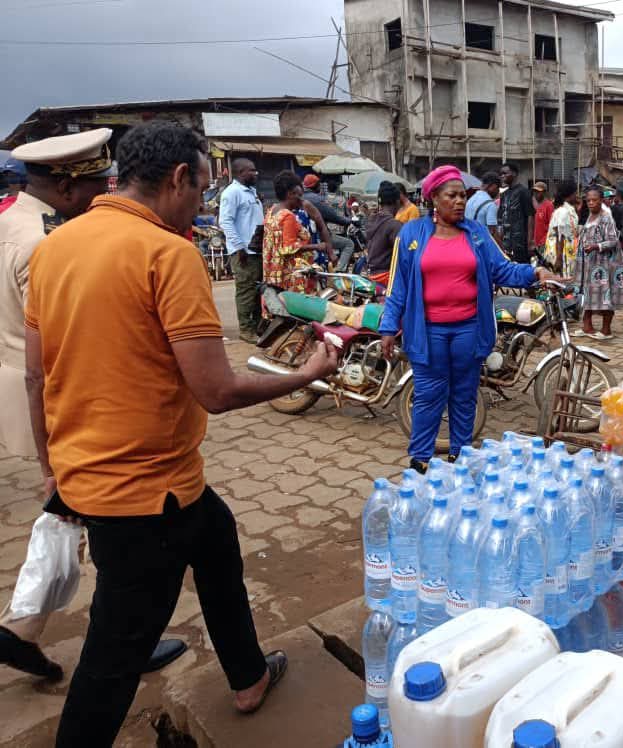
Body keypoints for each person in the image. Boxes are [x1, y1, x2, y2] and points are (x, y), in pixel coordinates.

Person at [24, 122, 340, 746]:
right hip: (146, 496)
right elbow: (216, 391)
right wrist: (305, 375)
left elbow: (36, 376)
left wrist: (51, 468)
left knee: (217, 543)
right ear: (177, 179)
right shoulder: (168, 254)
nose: (201, 205)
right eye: (199, 189)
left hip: (113, 476)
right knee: (114, 654)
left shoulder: (56, 247)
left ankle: (248, 677)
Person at [0, 128, 187, 682]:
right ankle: (121, 643)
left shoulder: (9, 221)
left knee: (71, 516)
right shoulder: (48, 243)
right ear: (65, 187)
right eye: (94, 188)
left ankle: (24, 625)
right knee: (109, 526)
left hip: (29, 384)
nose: (102, 199)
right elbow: (71, 340)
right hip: (66, 400)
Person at [379, 165, 560, 471]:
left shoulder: (476, 233)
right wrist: (388, 327)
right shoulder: (411, 233)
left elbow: (502, 269)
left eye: (463, 195)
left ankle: (460, 458)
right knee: (427, 396)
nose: (460, 201)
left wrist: (536, 272)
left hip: (469, 329)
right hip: (427, 332)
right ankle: (421, 460)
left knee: (464, 396)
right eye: (452, 196)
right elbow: (398, 285)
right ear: (434, 198)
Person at [573, 186, 623, 340]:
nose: (591, 203)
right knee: (588, 293)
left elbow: (613, 240)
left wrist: (595, 246)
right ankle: (587, 326)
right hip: (590, 262)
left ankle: (606, 330)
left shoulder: (606, 217)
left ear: (601, 200)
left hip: (605, 263)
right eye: (588, 200)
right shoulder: (590, 215)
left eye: (594, 200)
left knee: (606, 294)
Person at [219, 158, 265, 343]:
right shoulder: (232, 193)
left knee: (258, 291)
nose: (255, 174)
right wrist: (239, 247)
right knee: (246, 291)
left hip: (256, 250)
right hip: (244, 252)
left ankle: (258, 327)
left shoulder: (251, 192)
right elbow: (225, 221)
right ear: (240, 173)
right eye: (251, 170)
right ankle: (246, 330)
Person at [263, 170, 329, 295]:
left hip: (273, 273)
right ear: (290, 194)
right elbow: (288, 248)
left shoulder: (271, 211)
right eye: (299, 196)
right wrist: (317, 246)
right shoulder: (288, 216)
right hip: (289, 274)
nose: (301, 200)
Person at [302, 173, 356, 272]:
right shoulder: (320, 199)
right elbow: (334, 216)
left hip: (304, 236)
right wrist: (349, 221)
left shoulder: (300, 198)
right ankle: (338, 270)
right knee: (349, 244)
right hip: (323, 234)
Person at [365, 181, 403, 285]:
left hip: (371, 275)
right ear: (397, 202)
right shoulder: (394, 225)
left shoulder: (371, 220)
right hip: (387, 278)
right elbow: (404, 255)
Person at [498, 162, 535, 263]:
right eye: (501, 174)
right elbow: (501, 219)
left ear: (514, 174)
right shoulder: (504, 195)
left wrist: (530, 241)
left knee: (521, 268)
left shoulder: (523, 192)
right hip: (506, 244)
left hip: (520, 244)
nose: (502, 176)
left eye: (505, 173)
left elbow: (530, 216)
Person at [542, 180, 579, 276]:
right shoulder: (563, 211)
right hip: (561, 253)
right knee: (561, 279)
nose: (576, 196)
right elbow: (560, 235)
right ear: (570, 194)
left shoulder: (567, 210)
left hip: (566, 251)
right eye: (575, 193)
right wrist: (559, 259)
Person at [464, 171, 501, 243]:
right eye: (498, 188)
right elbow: (492, 232)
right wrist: (502, 248)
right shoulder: (490, 204)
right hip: (482, 243)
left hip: (469, 241)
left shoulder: (470, 200)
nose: (498, 191)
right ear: (493, 186)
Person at [532, 181, 554, 255]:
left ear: (544, 192)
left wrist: (544, 241)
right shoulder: (539, 206)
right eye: (534, 191)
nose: (535, 194)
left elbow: (552, 227)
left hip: (545, 243)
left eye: (538, 192)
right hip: (538, 244)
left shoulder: (549, 206)